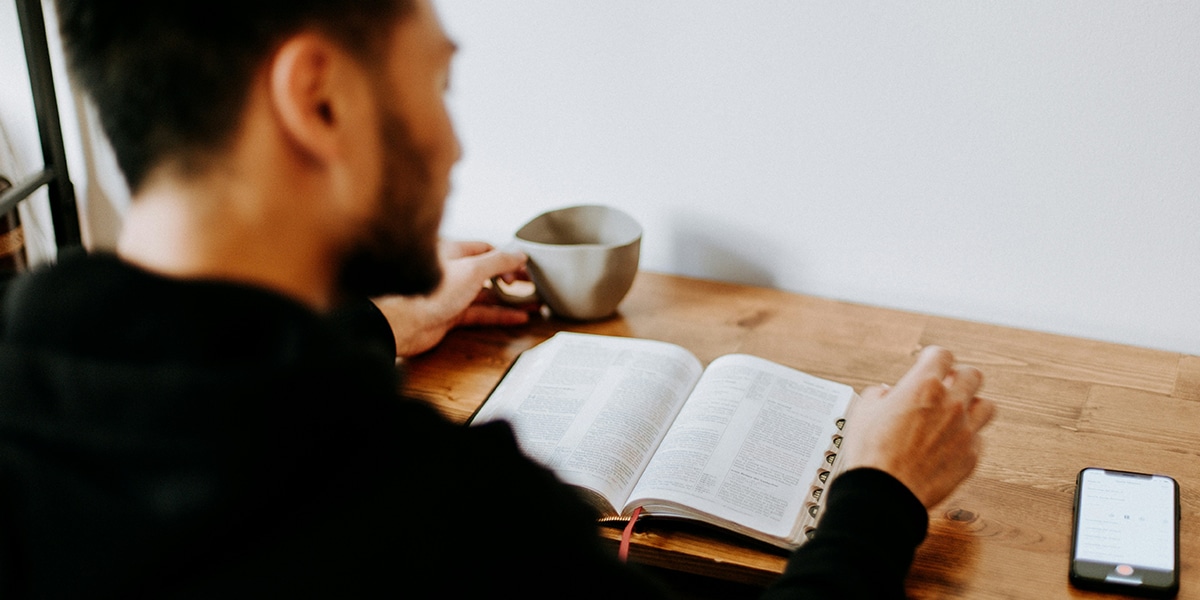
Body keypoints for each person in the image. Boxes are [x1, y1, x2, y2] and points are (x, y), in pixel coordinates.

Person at [0, 1, 995, 598]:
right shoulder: (442, 519)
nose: (454, 143)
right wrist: (880, 496)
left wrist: (382, 324)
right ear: (320, 100)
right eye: (436, 79)